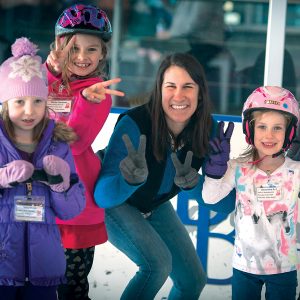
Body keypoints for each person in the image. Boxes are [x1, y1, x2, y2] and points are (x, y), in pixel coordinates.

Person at [94, 52, 236, 300]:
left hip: (155, 205)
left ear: (200, 92)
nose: (178, 96)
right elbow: (102, 196)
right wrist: (127, 181)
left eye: (187, 87)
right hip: (118, 204)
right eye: (170, 86)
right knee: (157, 265)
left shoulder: (209, 130)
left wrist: (198, 183)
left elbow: (225, 205)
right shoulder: (134, 123)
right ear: (159, 90)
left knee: (192, 280)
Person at [45, 3, 124, 300]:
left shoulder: (98, 93)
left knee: (70, 288)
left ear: (103, 55)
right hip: (36, 202)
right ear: (58, 47)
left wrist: (87, 102)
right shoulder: (44, 78)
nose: (81, 57)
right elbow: (25, 102)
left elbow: (75, 142)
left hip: (74, 206)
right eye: (74, 47)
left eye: (92, 50)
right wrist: (51, 73)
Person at [0, 37, 85, 300]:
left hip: (45, 267)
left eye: (37, 101)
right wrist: (2, 178)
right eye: (19, 102)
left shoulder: (58, 144)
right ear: (4, 103)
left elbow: (72, 210)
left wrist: (62, 184)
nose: (29, 110)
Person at [202, 86, 300, 300]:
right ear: (250, 129)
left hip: (284, 267)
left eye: (277, 128)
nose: (269, 135)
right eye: (262, 126)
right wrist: (214, 173)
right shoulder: (238, 167)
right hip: (244, 267)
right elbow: (210, 197)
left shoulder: (296, 172)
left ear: (289, 133)